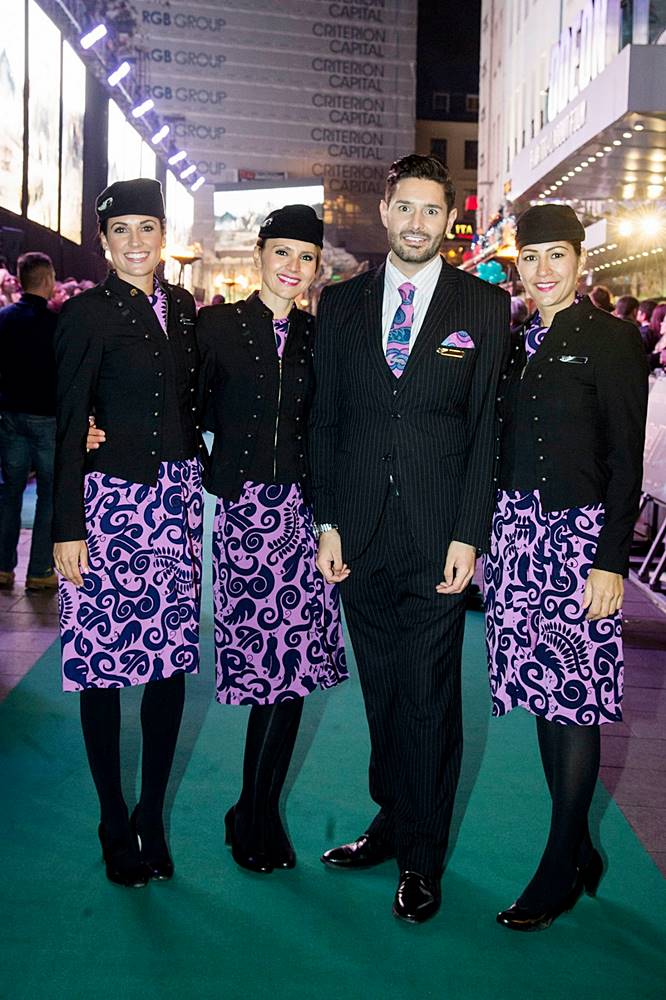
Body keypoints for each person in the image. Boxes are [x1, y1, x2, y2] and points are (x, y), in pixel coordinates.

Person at [310, 154, 510, 923]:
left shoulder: (483, 308)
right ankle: (391, 820)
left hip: (437, 538)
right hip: (357, 534)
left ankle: (422, 858)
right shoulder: (343, 305)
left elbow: (487, 427)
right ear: (385, 211)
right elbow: (325, 419)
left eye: (434, 211)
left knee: (428, 698)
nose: (420, 223)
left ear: (448, 221)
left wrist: (471, 532)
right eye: (408, 209)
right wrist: (327, 520)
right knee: (384, 691)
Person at [484, 204, 648, 931]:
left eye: (557, 256)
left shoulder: (613, 341)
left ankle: (557, 866)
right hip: (520, 538)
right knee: (543, 696)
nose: (543, 270)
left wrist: (610, 560)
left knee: (573, 700)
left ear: (581, 263)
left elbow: (626, 464)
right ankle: (578, 846)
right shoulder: (517, 340)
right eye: (531, 258)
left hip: (580, 541)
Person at [53, 178, 204, 888]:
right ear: (105, 240)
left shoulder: (184, 307)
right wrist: (65, 526)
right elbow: (64, 428)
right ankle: (113, 820)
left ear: (163, 233)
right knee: (103, 669)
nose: (137, 243)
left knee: (170, 664)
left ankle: (150, 814)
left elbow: (198, 396)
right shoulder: (85, 316)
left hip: (174, 504)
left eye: (149, 228)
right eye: (123, 231)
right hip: (108, 506)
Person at [196, 205, 347, 874]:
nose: (292, 266)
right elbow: (178, 405)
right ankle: (250, 810)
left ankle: (256, 810)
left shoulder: (321, 337)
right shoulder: (218, 327)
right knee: (265, 670)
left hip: (306, 519)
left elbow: (334, 431)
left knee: (297, 673)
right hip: (246, 522)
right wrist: (98, 426)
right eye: (281, 251)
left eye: (305, 256)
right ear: (258, 254)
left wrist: (330, 522)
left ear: (317, 268)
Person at [0, 253, 58, 590]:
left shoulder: (4, 319)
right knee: (49, 494)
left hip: (10, 416)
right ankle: (39, 571)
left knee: (10, 492)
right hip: (46, 419)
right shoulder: (55, 324)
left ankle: (3, 568)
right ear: (48, 279)